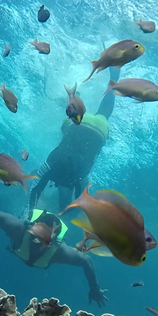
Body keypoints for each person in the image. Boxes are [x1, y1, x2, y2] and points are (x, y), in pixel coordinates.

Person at [0, 207, 108, 306]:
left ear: (53, 242)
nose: (38, 243)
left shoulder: (59, 251)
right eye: (36, 236)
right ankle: (28, 209)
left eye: (44, 240)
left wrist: (94, 288)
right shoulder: (19, 229)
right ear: (30, 229)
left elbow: (86, 260)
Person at [28, 68, 121, 214]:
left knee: (104, 113)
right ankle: (74, 101)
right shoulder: (52, 164)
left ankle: (114, 78)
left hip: (99, 130)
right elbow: (36, 188)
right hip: (78, 125)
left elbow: (79, 200)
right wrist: (31, 211)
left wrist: (33, 214)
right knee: (66, 127)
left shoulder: (81, 176)